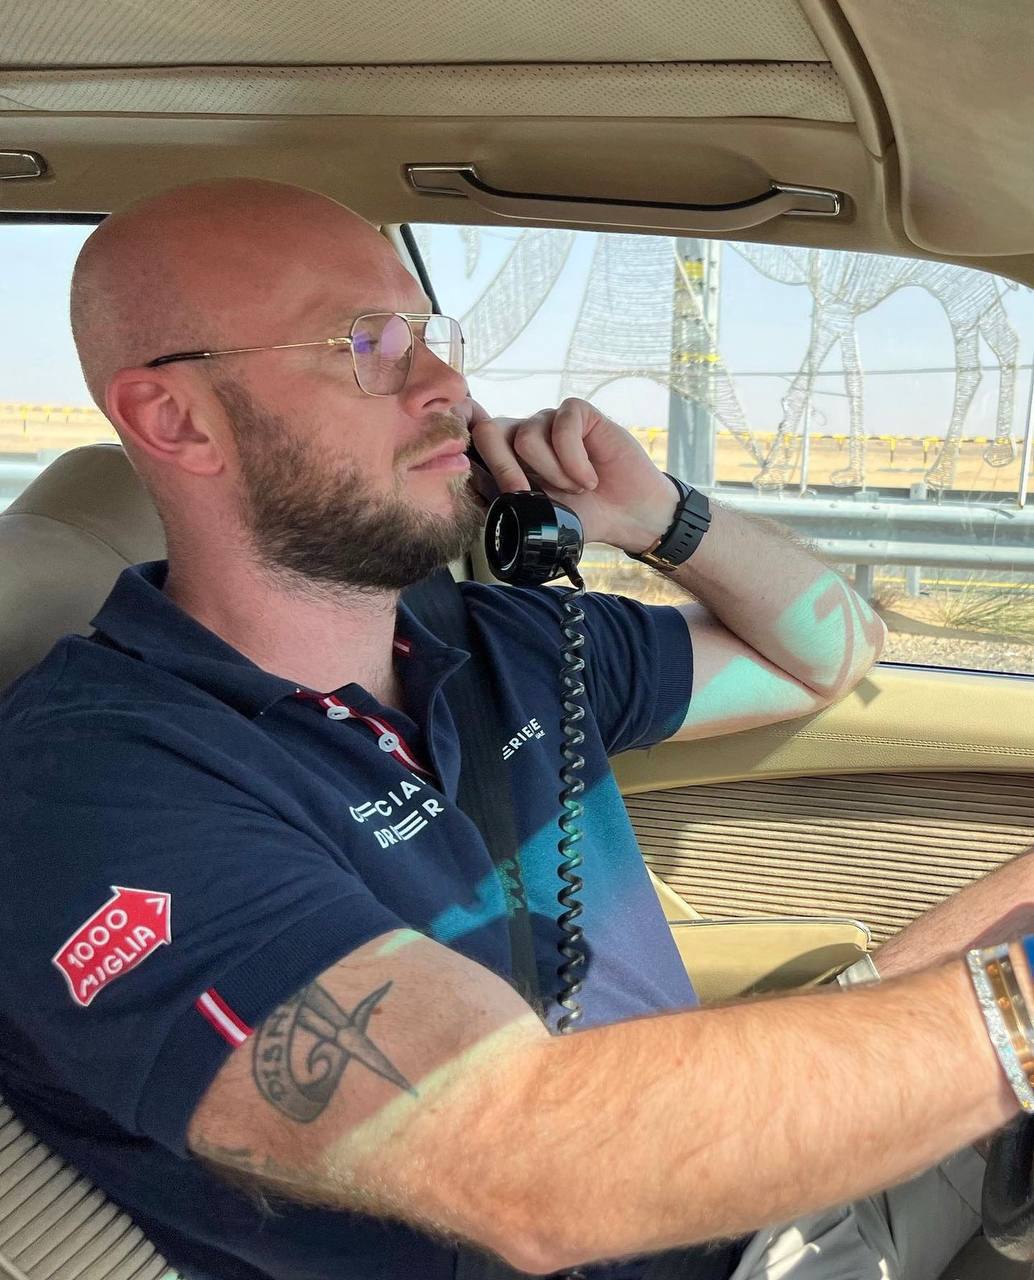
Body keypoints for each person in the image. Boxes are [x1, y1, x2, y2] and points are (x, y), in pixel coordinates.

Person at [0, 177, 1028, 1280]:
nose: (447, 384)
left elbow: (828, 650)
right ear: (175, 419)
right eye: (369, 342)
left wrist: (658, 516)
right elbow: (532, 1167)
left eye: (431, 335)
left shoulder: (490, 637)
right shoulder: (90, 789)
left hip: (750, 1173)